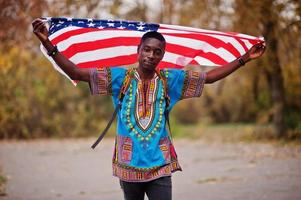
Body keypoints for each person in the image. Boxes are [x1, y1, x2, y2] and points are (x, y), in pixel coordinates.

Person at [32, 18, 266, 200]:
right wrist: (47, 43)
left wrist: (245, 58)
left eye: (157, 52)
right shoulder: (118, 78)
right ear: (139, 50)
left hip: (160, 166)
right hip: (128, 166)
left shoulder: (170, 81)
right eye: (147, 49)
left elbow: (209, 78)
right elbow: (76, 73)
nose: (151, 55)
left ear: (162, 55)